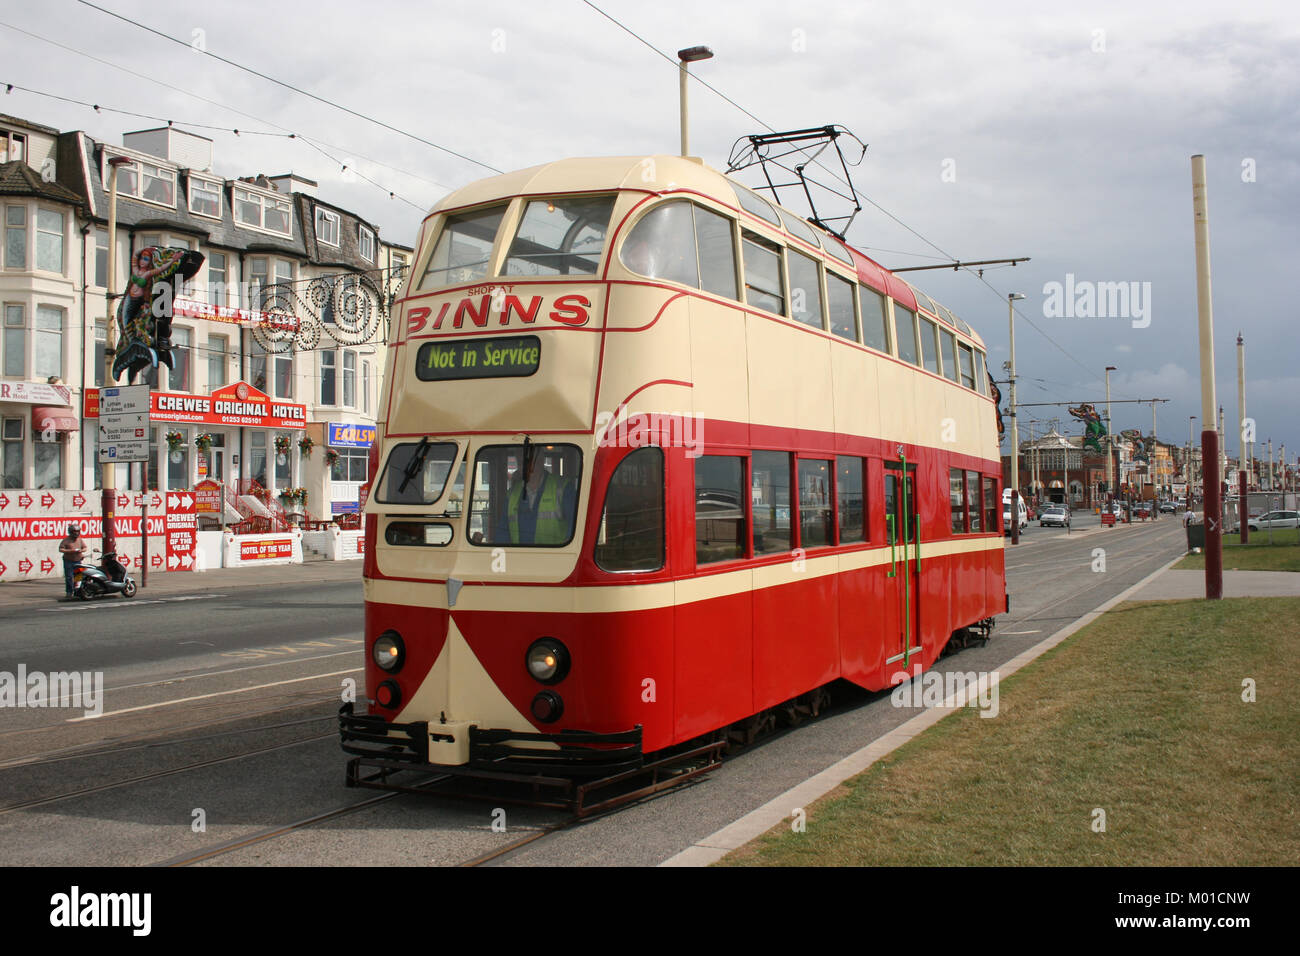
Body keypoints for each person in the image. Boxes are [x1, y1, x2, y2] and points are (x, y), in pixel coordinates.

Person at [495, 451, 576, 545]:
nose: (526, 466)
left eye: (530, 461)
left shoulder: (563, 488)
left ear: (541, 461)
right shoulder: (512, 494)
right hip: (519, 558)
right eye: (521, 462)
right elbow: (503, 533)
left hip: (554, 558)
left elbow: (576, 528)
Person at [58, 524, 87, 600]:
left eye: (78, 531)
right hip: (69, 561)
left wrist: (81, 550)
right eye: (74, 531)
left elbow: (85, 547)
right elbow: (61, 549)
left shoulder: (80, 540)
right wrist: (70, 551)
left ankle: (77, 591)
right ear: (70, 532)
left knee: (78, 577)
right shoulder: (66, 540)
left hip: (78, 562)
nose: (76, 533)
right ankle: (69, 592)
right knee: (69, 577)